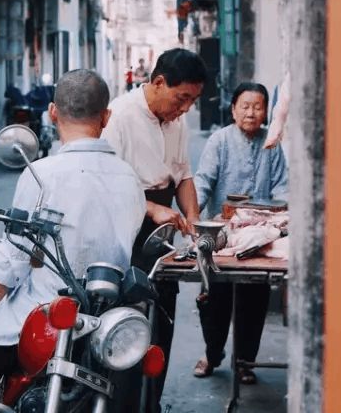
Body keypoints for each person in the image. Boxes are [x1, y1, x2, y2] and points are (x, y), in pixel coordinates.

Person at [0, 69, 147, 413]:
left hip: (41, 318)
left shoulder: (43, 174)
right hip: (106, 322)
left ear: (52, 112)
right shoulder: (130, 178)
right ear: (106, 116)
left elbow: (12, 262)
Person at [101, 47, 207, 412]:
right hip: (124, 226)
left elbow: (183, 174)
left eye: (192, 101)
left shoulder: (176, 120)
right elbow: (105, 184)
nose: (186, 109)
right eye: (182, 98)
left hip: (160, 232)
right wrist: (150, 207)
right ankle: (124, 403)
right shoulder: (120, 116)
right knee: (128, 319)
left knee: (162, 313)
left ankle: (152, 401)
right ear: (159, 82)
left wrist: (192, 219)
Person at [192, 82, 288, 384]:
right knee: (213, 297)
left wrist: (282, 222)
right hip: (222, 235)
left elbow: (282, 186)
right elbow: (203, 181)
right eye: (245, 106)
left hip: (259, 235)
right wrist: (193, 219)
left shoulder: (271, 143)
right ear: (233, 109)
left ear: (266, 112)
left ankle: (245, 361)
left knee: (254, 298)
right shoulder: (219, 141)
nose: (251, 112)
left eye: (258, 106)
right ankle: (212, 353)